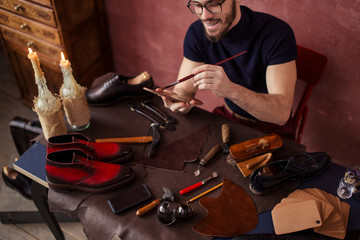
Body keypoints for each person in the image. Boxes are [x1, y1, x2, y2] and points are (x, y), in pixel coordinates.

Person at [157, 0, 297, 131]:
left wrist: (230, 90)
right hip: (229, 118)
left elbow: (281, 114)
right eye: (197, 5)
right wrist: (179, 102)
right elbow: (184, 90)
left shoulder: (276, 33)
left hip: (272, 128)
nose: (205, 16)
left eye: (214, 3)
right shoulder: (197, 32)